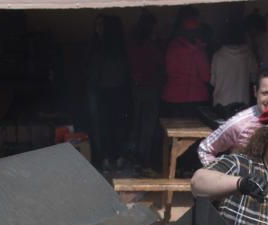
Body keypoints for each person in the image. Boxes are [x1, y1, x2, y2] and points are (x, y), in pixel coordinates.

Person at [198, 66, 268, 166]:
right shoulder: (240, 123)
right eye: (265, 93)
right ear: (255, 91)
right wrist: (220, 176)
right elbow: (205, 149)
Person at [86, 14, 130, 173]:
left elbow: (93, 74)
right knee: (118, 126)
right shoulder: (121, 48)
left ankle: (104, 159)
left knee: (103, 127)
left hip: (102, 92)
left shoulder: (99, 48)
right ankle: (118, 158)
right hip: (120, 91)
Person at [125, 10, 163, 170]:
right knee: (148, 124)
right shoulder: (150, 45)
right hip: (150, 86)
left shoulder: (131, 42)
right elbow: (158, 63)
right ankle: (143, 158)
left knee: (136, 123)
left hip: (135, 86)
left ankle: (133, 156)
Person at [161, 7, 210, 118]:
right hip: (196, 97)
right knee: (193, 133)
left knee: (174, 131)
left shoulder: (172, 47)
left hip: (173, 96)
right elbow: (206, 77)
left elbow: (168, 71)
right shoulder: (200, 51)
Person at [210, 22, 256, 115]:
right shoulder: (249, 55)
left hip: (221, 104)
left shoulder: (218, 55)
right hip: (242, 103)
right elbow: (254, 78)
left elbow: (212, 82)